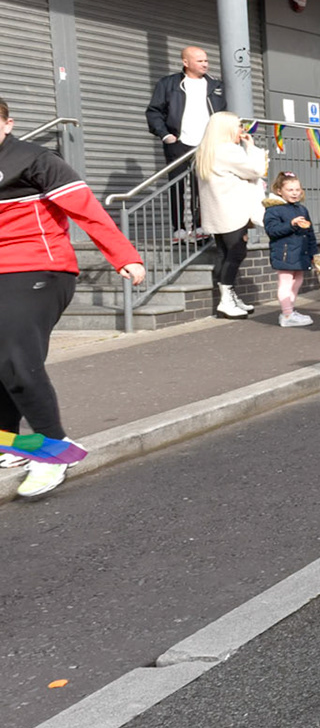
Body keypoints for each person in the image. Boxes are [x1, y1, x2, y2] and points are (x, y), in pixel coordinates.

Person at [0, 97, 144, 499]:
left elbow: (88, 211)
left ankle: (53, 450)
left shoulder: (34, 160)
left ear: (8, 124)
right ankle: (10, 446)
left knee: (15, 358)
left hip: (39, 268)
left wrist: (124, 257)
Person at [144, 45, 227, 240]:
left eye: (206, 60)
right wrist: (166, 135)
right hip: (179, 142)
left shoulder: (216, 86)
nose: (205, 64)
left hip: (207, 144)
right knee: (177, 185)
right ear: (186, 62)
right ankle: (179, 228)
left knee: (204, 185)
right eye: (200, 61)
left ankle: (200, 226)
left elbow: (223, 113)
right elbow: (154, 111)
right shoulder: (169, 84)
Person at [195, 112, 270, 320]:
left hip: (217, 212)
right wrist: (251, 147)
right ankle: (226, 300)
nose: (242, 131)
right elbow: (256, 170)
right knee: (237, 253)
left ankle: (228, 297)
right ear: (226, 129)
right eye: (238, 126)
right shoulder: (227, 150)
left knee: (223, 254)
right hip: (232, 211)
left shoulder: (206, 151)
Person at [261, 172, 318, 327]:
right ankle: (287, 314)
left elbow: (310, 232)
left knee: (298, 280)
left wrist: (314, 253)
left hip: (301, 252)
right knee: (285, 282)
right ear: (280, 191)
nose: (295, 193)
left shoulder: (302, 209)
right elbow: (272, 230)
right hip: (284, 252)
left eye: (297, 190)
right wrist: (291, 224)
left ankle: (289, 310)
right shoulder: (273, 210)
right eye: (290, 190)